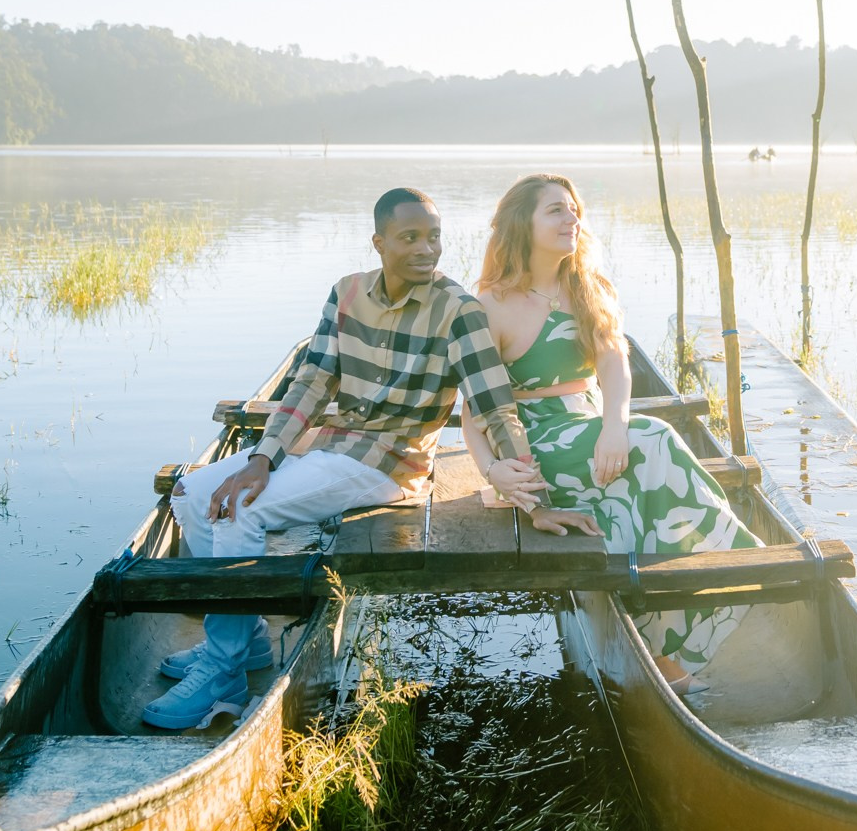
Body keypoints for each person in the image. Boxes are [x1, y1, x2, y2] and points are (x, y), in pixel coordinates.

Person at [145, 185, 578, 729]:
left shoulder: (458, 310)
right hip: (326, 444)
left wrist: (535, 500)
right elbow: (310, 384)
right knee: (193, 493)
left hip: (388, 465)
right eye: (410, 238)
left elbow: (496, 407)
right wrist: (263, 456)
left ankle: (224, 671)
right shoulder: (346, 294)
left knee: (242, 509)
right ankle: (248, 636)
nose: (427, 249)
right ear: (379, 243)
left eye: (435, 237)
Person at [469, 172, 758, 691]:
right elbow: (474, 412)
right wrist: (494, 472)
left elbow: (615, 367)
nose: (571, 218)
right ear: (522, 222)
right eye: (555, 209)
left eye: (574, 208)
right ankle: (714, 579)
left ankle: (675, 619)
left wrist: (614, 427)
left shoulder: (589, 288)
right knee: (659, 441)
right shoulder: (490, 303)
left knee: (645, 448)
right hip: (535, 444)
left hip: (594, 426)